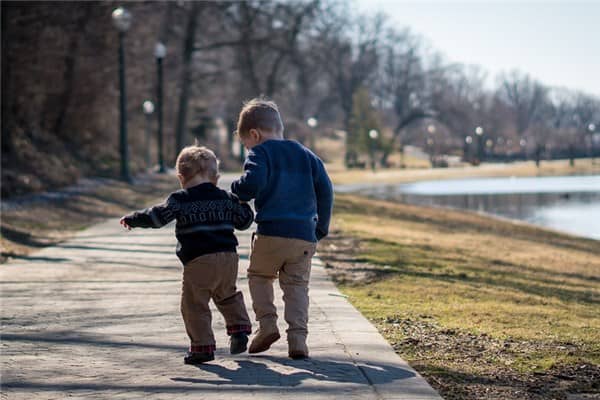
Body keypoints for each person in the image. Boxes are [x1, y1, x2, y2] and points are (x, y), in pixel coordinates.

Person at [120, 146, 254, 365]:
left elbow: (157, 218)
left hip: (199, 260)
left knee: (194, 304)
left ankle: (202, 347)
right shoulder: (226, 198)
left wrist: (134, 219)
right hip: (228, 258)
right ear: (216, 177)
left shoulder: (180, 200)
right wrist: (243, 203)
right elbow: (244, 221)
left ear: (181, 178)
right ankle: (239, 330)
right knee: (227, 295)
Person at [231, 98, 334, 359]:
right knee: (297, 286)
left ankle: (267, 325)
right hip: (303, 235)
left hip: (271, 232)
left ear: (254, 135)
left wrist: (236, 189)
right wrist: (320, 228)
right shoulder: (306, 155)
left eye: (246, 145)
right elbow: (326, 190)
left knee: (259, 276)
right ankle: (298, 339)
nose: (248, 149)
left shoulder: (260, 153)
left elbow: (252, 184)